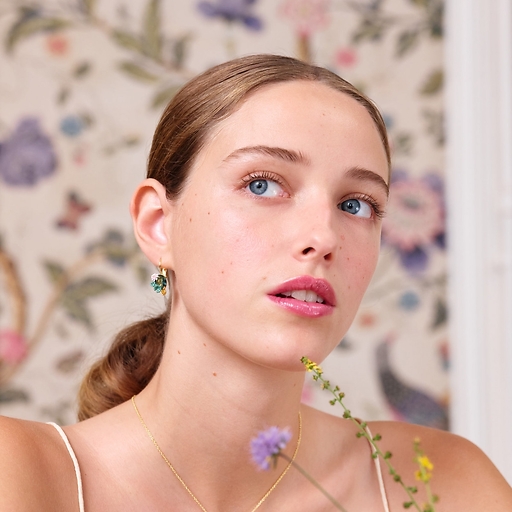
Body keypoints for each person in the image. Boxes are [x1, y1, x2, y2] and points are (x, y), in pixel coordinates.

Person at [0, 54, 510, 512]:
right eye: (262, 184)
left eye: (356, 204)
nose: (323, 236)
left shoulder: (446, 484)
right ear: (159, 223)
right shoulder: (23, 473)